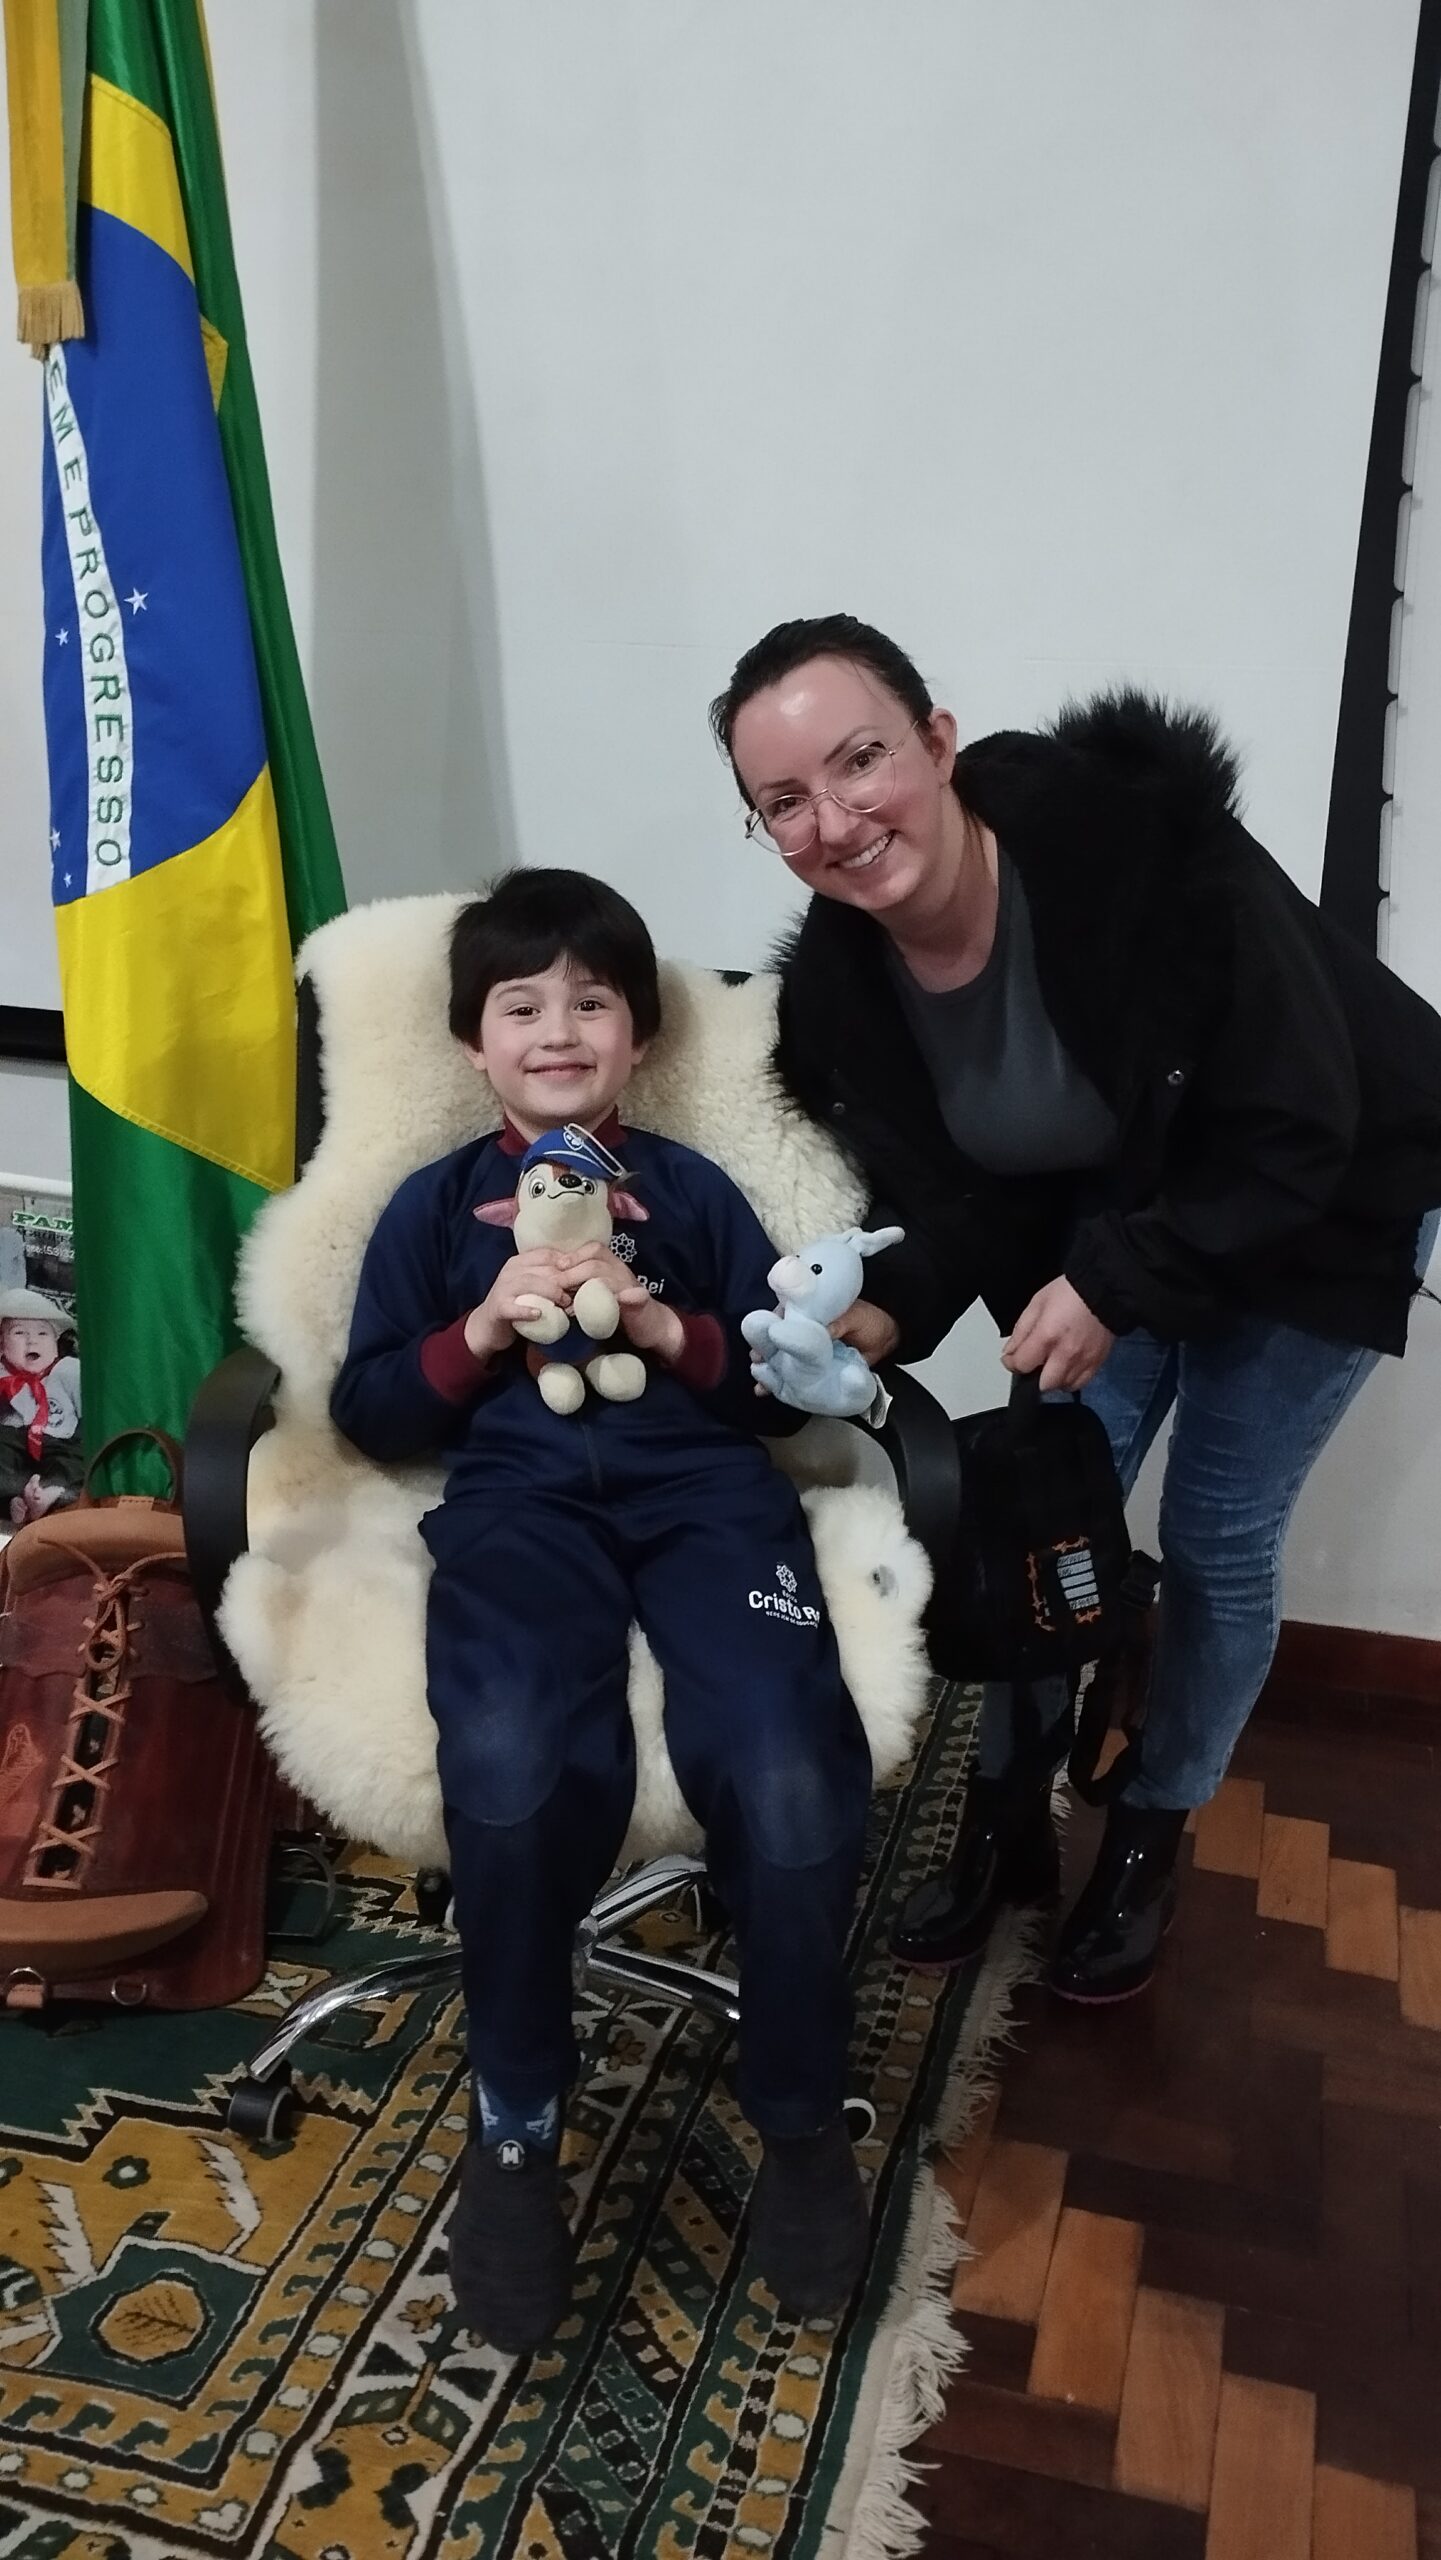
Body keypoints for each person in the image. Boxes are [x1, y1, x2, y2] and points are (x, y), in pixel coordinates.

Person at [710, 614, 1441, 2004]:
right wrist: (891, 1308)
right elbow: (956, 1194)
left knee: (1219, 1534)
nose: (835, 822)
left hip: (1321, 1196)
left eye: (859, 760)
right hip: (1121, 1213)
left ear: (937, 742)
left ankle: (1152, 1829)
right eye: (783, 801)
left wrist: (1110, 1282)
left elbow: (1297, 1121)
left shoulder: (1142, 849)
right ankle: (1007, 1818)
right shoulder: (847, 994)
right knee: (1034, 1509)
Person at [330, 867, 873, 2353]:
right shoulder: (432, 1206)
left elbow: (774, 1390)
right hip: (517, 1509)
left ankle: (798, 2116)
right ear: (473, 1043)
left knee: (788, 1765)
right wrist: (477, 1326)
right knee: (508, 1758)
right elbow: (370, 1408)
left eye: (591, 1001)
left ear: (638, 1033)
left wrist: (656, 1320)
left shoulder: (690, 1190)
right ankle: (516, 2124)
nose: (558, 1030)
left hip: (709, 1501)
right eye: (522, 1006)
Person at [0, 1285, 83, 1524]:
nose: (32, 1340)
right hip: (13, 1437)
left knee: (73, 1457)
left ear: (57, 1343)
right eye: (19, 1333)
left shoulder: (68, 1370)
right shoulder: (3, 1374)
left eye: (42, 1334)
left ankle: (50, 1493)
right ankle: (12, 1502)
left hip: (59, 1436)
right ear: (2, 1345)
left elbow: (89, 1406)